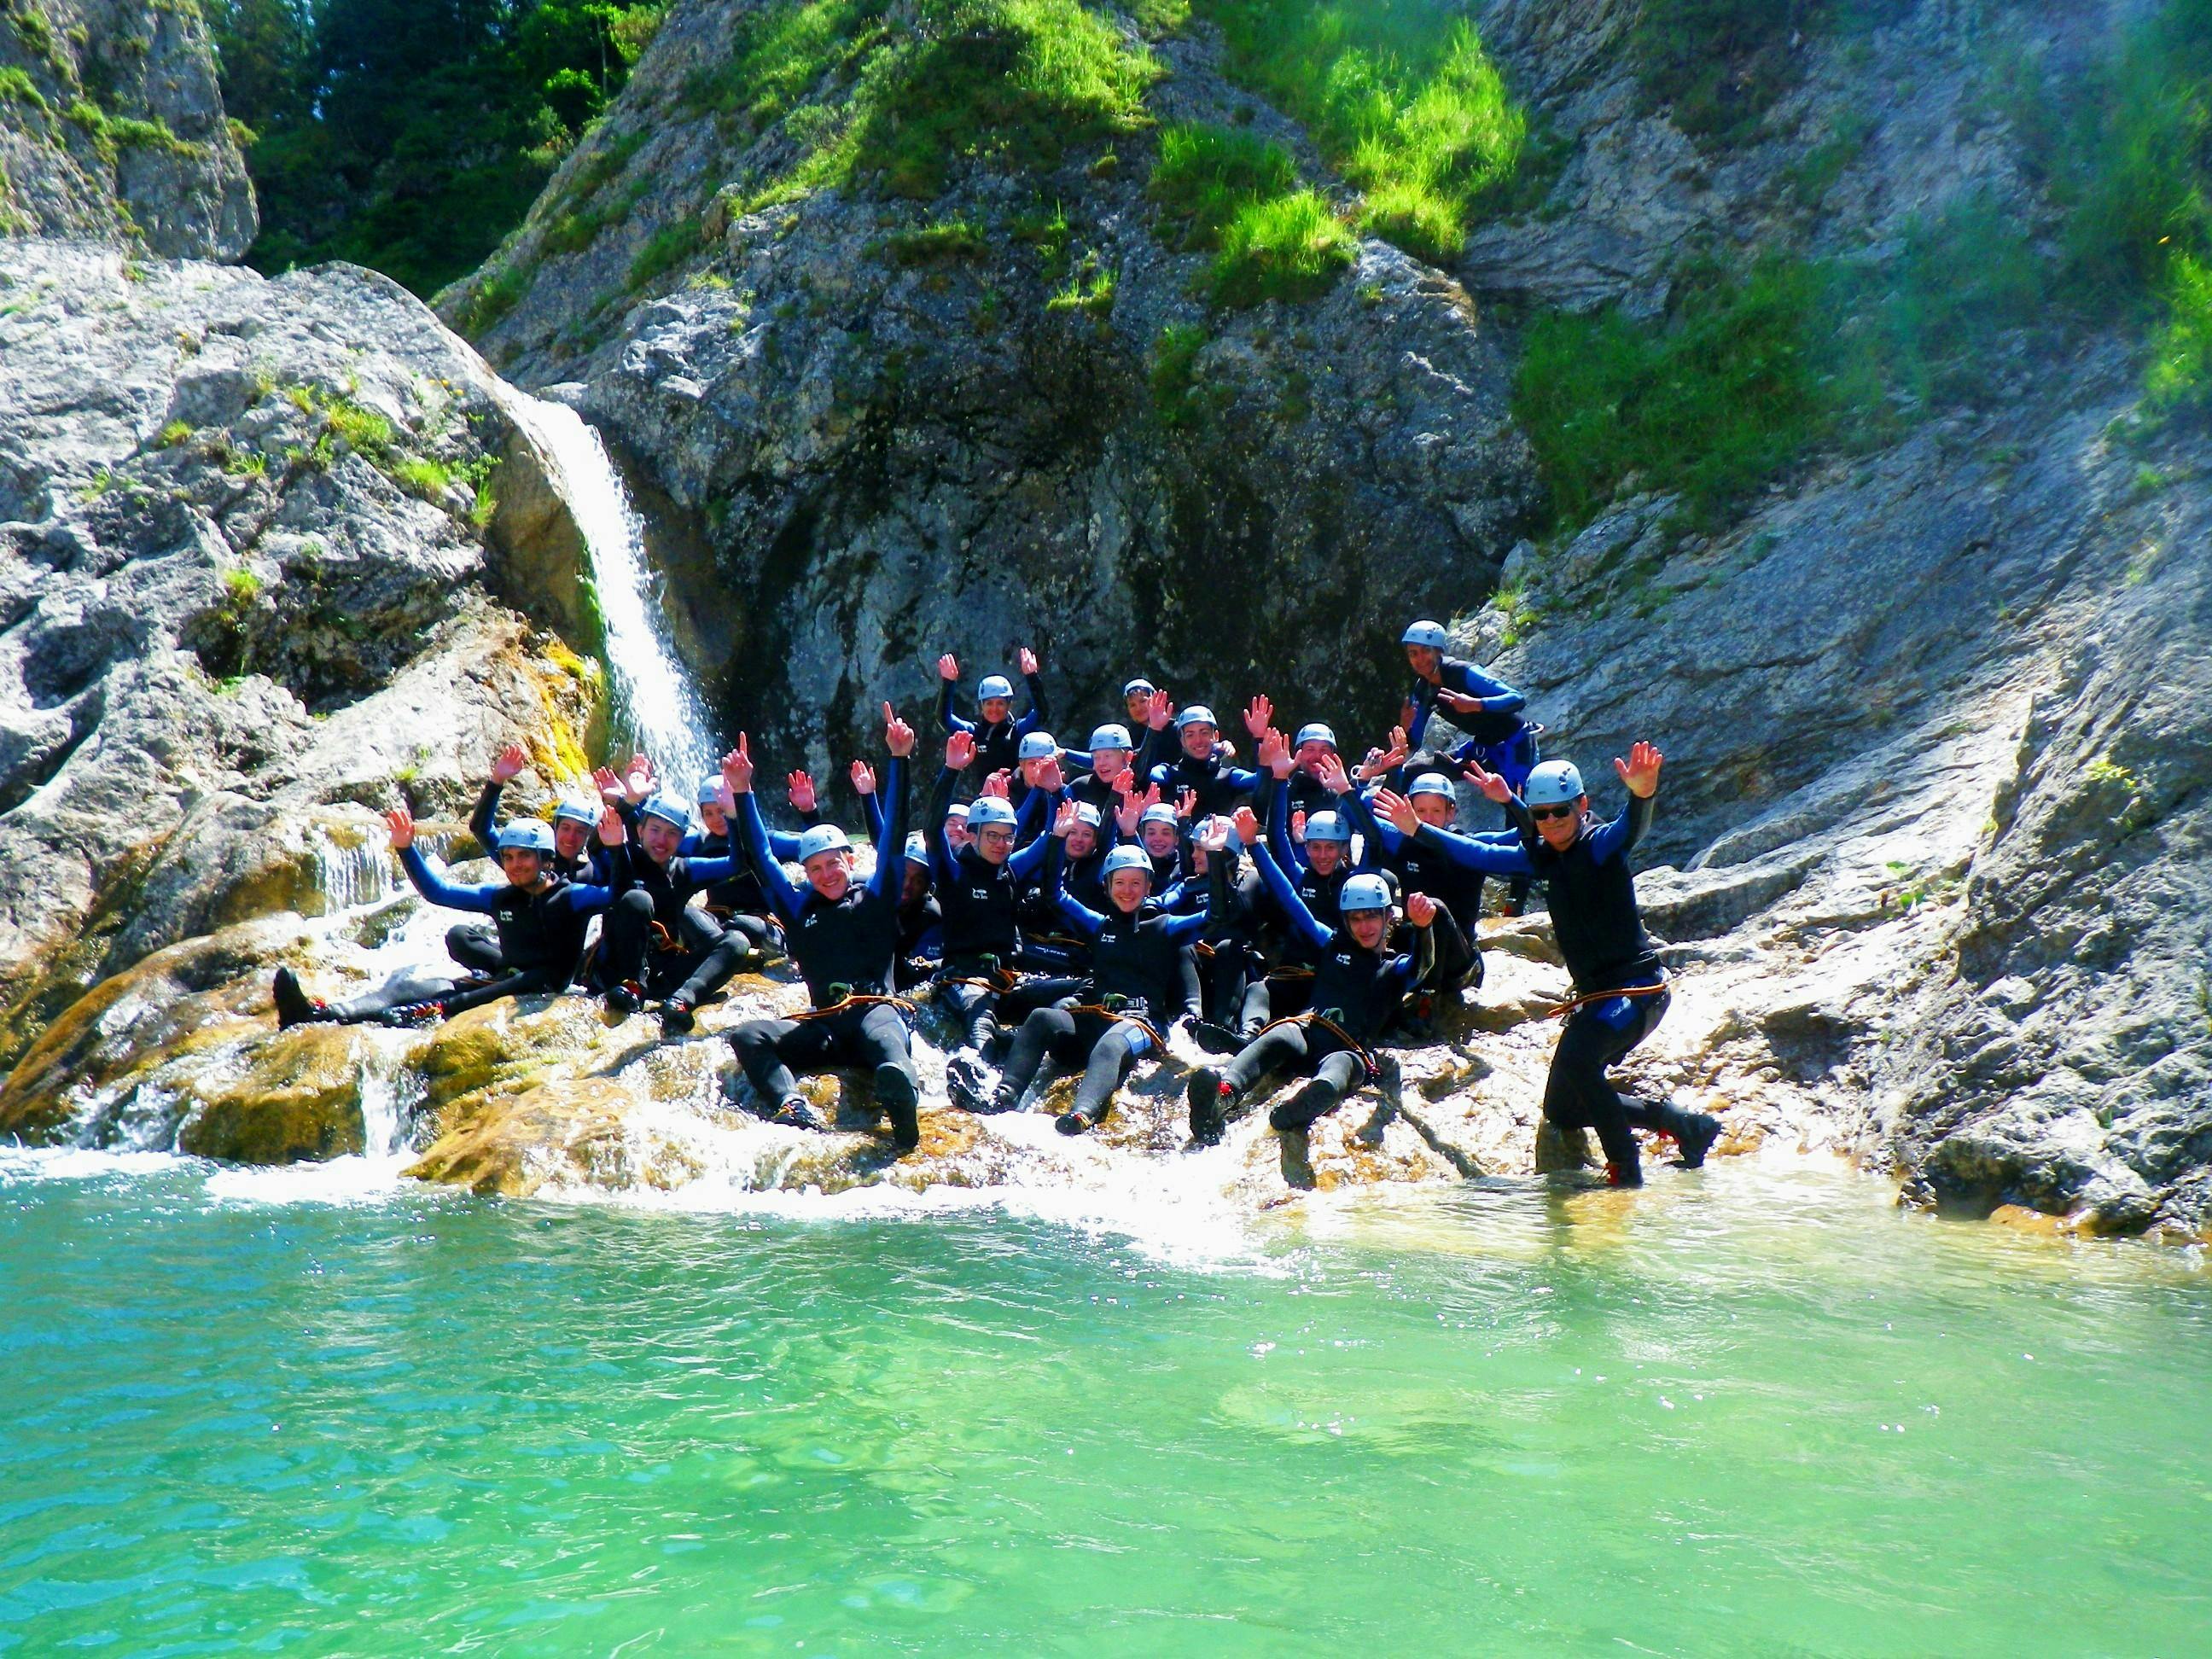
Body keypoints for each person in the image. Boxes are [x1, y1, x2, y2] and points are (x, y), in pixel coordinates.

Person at [1378, 743, 1721, 1186]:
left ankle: (1625, 1175)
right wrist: (1418, 829)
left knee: (1580, 1068)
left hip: (1637, 993)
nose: (1552, 821)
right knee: (1563, 1109)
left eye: (1561, 811)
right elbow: (1478, 854)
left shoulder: (1599, 846)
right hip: (1597, 999)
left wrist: (1642, 795)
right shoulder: (1542, 858)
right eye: (1541, 815)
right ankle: (1681, 1124)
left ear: (1582, 805)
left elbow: (1630, 829)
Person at [721, 707, 924, 1152]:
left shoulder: (877, 895)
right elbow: (762, 859)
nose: (826, 874)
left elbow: (895, 835)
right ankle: (791, 1103)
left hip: (876, 1014)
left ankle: (902, 1104)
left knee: (888, 1045)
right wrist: (742, 791)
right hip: (826, 1026)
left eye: (833, 863)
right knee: (748, 1036)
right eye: (815, 868)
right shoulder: (797, 907)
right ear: (806, 873)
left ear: (850, 860)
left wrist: (899, 759)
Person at [1187, 810, 1435, 1144]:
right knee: (1277, 1036)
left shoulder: (1395, 968)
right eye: (1355, 918)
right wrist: (1253, 844)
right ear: (1345, 920)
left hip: (1347, 1050)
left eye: (1371, 917)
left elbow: (1423, 966)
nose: (1364, 926)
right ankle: (1222, 1096)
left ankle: (1302, 1106)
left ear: (1388, 918)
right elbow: (1290, 899)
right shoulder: (1330, 943)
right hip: (1306, 1031)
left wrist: (1423, 930)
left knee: (1338, 1072)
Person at [958, 812, 1214, 1133]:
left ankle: (1081, 1115)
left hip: (1141, 1025)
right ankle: (1003, 1097)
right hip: (1096, 1019)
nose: (1127, 890)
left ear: (1149, 887)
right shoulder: (1099, 926)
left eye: (1136, 883)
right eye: (1119, 882)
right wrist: (1056, 839)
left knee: (1111, 1043)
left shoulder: (1165, 927)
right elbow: (1055, 894)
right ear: (1107, 886)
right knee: (1042, 1017)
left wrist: (1216, 857)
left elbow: (1216, 916)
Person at [272, 810, 622, 1028]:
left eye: (525, 857)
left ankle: (435, 1009)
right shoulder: (501, 897)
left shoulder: (572, 896)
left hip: (541, 986)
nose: (515, 865)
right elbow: (437, 891)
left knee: (532, 977)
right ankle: (321, 1012)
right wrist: (406, 848)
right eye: (509, 857)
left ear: (545, 860)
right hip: (503, 980)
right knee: (407, 990)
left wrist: (617, 849)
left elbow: (617, 895)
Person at [926, 731, 1057, 1103]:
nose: (1002, 844)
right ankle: (980, 1084)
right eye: (993, 836)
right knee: (980, 1018)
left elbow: (1052, 836)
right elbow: (932, 829)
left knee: (1076, 990)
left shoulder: (1011, 869)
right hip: (964, 979)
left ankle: (1014, 1045)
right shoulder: (953, 871)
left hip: (1006, 978)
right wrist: (951, 771)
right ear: (973, 836)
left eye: (1008, 837)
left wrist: (1053, 792)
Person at [1401, 618, 1540, 913]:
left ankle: (1516, 902)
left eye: (1425, 651)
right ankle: (1413, 846)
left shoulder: (1464, 673)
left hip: (1515, 745)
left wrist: (1477, 704)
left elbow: (1517, 699)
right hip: (1484, 748)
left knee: (1518, 818)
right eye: (1413, 654)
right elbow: (1414, 742)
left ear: (1439, 651)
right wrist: (1406, 727)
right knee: (1413, 772)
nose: (1420, 659)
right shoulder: (1423, 690)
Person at [598, 791, 761, 1030]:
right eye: (655, 830)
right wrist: (623, 807)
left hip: (663, 975)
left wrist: (733, 817)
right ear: (640, 830)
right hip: (616, 975)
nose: (661, 840)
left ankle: (681, 1001)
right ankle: (633, 986)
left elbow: (737, 864)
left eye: (672, 834)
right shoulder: (619, 853)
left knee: (737, 941)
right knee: (638, 899)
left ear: (682, 839)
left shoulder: (685, 869)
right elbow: (590, 858)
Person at [1338, 762, 1485, 1016]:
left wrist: (1509, 801)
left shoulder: (1467, 848)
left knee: (1432, 907)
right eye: (1421, 811)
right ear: (1409, 812)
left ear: (1451, 813)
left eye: (1436, 811)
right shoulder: (1405, 843)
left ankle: (1427, 1002)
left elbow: (1512, 850)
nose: (1428, 818)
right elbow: (1363, 821)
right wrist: (1352, 785)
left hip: (1458, 962)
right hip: (1419, 947)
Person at [936, 648, 1049, 784]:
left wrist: (1032, 676)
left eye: (1000, 703)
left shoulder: (1018, 731)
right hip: (982, 796)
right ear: (981, 706)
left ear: (1009, 705)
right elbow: (944, 719)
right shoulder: (973, 733)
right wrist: (948, 683)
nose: (994, 709)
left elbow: (1041, 713)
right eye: (989, 703)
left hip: (1015, 796)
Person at [1142, 692, 1262, 817]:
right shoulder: (1167, 774)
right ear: (1182, 741)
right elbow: (1140, 778)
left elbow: (1262, 782)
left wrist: (1259, 737)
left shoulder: (1229, 777)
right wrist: (1154, 729)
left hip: (1219, 829)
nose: (1198, 740)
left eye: (1204, 733)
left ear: (1216, 736)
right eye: (1190, 735)